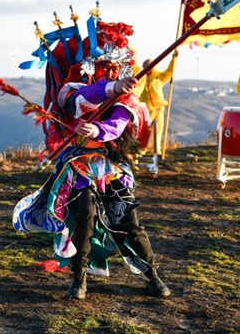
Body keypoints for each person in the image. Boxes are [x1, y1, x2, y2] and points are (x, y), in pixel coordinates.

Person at [13, 15, 171, 300]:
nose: (106, 72)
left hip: (112, 163)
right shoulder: (74, 88)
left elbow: (118, 123)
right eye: (102, 67)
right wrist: (109, 90)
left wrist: (98, 127)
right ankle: (79, 276)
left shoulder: (128, 99)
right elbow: (76, 100)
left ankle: (151, 273)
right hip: (77, 163)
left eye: (112, 69)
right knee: (83, 214)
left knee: (126, 218)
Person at [139, 56, 175, 156]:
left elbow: (169, 71)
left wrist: (174, 58)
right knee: (144, 130)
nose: (148, 67)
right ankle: (142, 148)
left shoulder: (158, 77)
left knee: (158, 130)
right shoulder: (140, 78)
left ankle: (156, 149)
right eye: (146, 66)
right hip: (145, 109)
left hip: (159, 108)